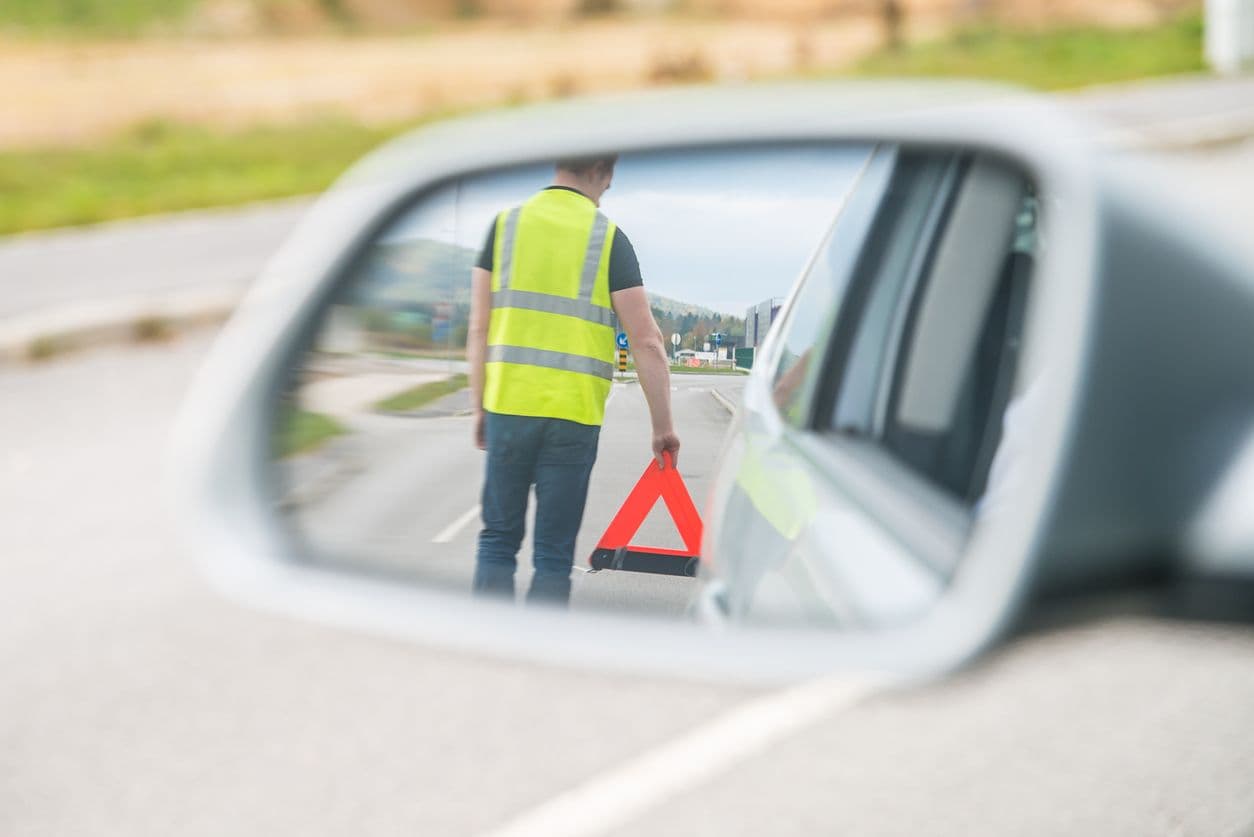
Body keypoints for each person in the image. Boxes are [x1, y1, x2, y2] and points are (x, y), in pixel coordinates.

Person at [466, 153, 680, 606]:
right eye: (607, 186)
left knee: (497, 541)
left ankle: (483, 648)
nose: (604, 196)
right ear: (604, 174)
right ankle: (537, 658)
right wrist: (663, 427)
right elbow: (647, 341)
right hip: (573, 417)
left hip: (508, 408)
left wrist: (479, 404)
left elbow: (478, 329)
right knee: (553, 555)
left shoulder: (504, 227)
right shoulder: (609, 239)